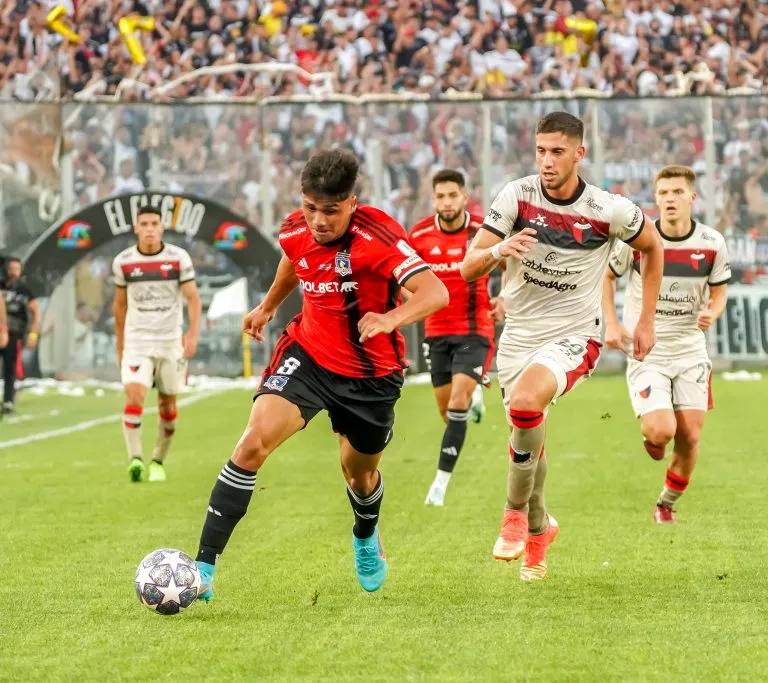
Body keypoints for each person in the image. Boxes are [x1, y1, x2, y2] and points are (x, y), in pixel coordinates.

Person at [193, 151, 448, 599]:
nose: (319, 220)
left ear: (351, 203)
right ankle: (202, 569)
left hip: (371, 375)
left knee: (358, 475)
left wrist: (392, 318)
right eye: (311, 208)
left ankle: (366, 535)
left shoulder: (379, 236)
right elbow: (295, 259)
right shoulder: (295, 227)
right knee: (252, 443)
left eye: (330, 211)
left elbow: (435, 291)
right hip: (308, 354)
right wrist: (269, 305)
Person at [461, 111, 664, 581]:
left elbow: (652, 247)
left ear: (579, 153)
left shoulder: (608, 209)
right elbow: (468, 269)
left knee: (529, 405)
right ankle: (538, 532)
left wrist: (645, 320)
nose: (547, 161)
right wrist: (497, 251)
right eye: (540, 151)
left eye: (556, 151)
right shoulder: (516, 196)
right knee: (528, 437)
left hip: (575, 335)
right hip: (518, 337)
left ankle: (512, 517)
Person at [603, 165, 730, 524]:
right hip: (648, 349)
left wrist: (713, 311)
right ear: (655, 198)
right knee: (662, 431)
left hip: (691, 350)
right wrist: (612, 323)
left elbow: (720, 292)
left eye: (677, 192)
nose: (670, 199)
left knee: (689, 436)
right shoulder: (639, 240)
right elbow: (607, 278)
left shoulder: (711, 242)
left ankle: (666, 503)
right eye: (663, 193)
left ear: (692, 196)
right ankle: (654, 435)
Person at [408, 169, 500, 506]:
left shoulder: (482, 230)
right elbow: (404, 276)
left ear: (464, 197)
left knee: (457, 402)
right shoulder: (418, 234)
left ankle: (439, 485)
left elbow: (511, 264)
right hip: (436, 332)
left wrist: (503, 298)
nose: (447, 202)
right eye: (440, 196)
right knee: (449, 412)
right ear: (433, 199)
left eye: (453, 195)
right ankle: (474, 396)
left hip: (475, 330)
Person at [112, 206, 202, 483]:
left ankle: (158, 460)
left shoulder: (178, 258)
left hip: (170, 343)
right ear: (136, 228)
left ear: (162, 227)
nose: (149, 228)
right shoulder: (123, 262)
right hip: (138, 342)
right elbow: (119, 306)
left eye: (154, 223)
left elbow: (193, 299)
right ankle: (135, 460)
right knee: (135, 398)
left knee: (168, 408)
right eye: (144, 224)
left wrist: (192, 334)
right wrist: (121, 346)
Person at [1, 258, 40, 416]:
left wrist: (33, 333)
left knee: (10, 368)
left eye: (18, 269)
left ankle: (8, 400)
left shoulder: (22, 290)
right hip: (3, 330)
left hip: (14, 333)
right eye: (13, 269)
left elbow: (35, 310)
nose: (16, 273)